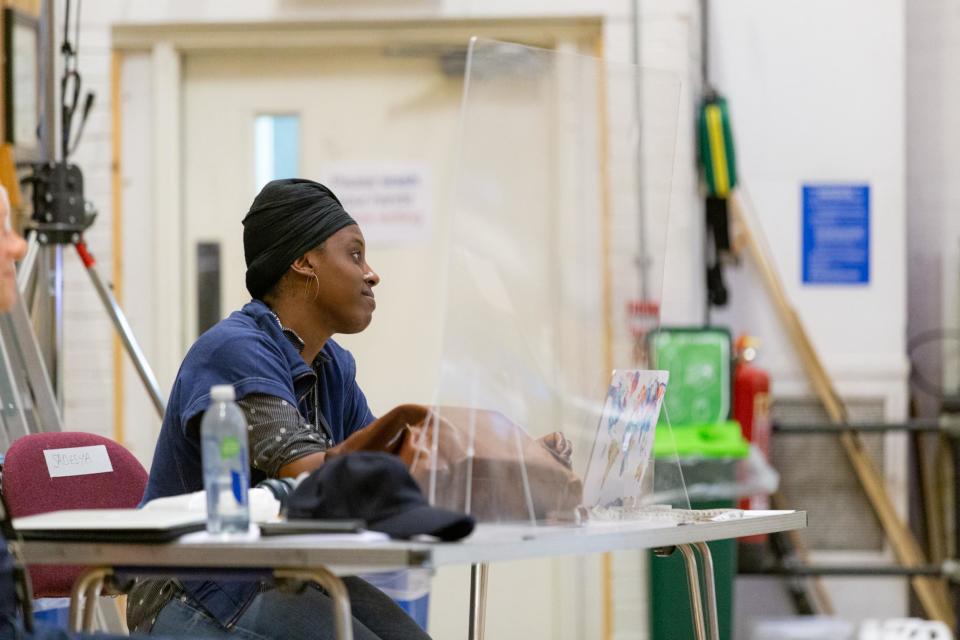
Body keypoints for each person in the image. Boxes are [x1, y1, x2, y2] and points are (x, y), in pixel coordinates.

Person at [128, 179, 432, 640]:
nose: (372, 274)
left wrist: (512, 466)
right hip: (193, 586)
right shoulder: (234, 350)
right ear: (304, 261)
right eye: (355, 255)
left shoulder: (332, 366)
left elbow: (385, 469)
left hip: (277, 573)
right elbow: (308, 470)